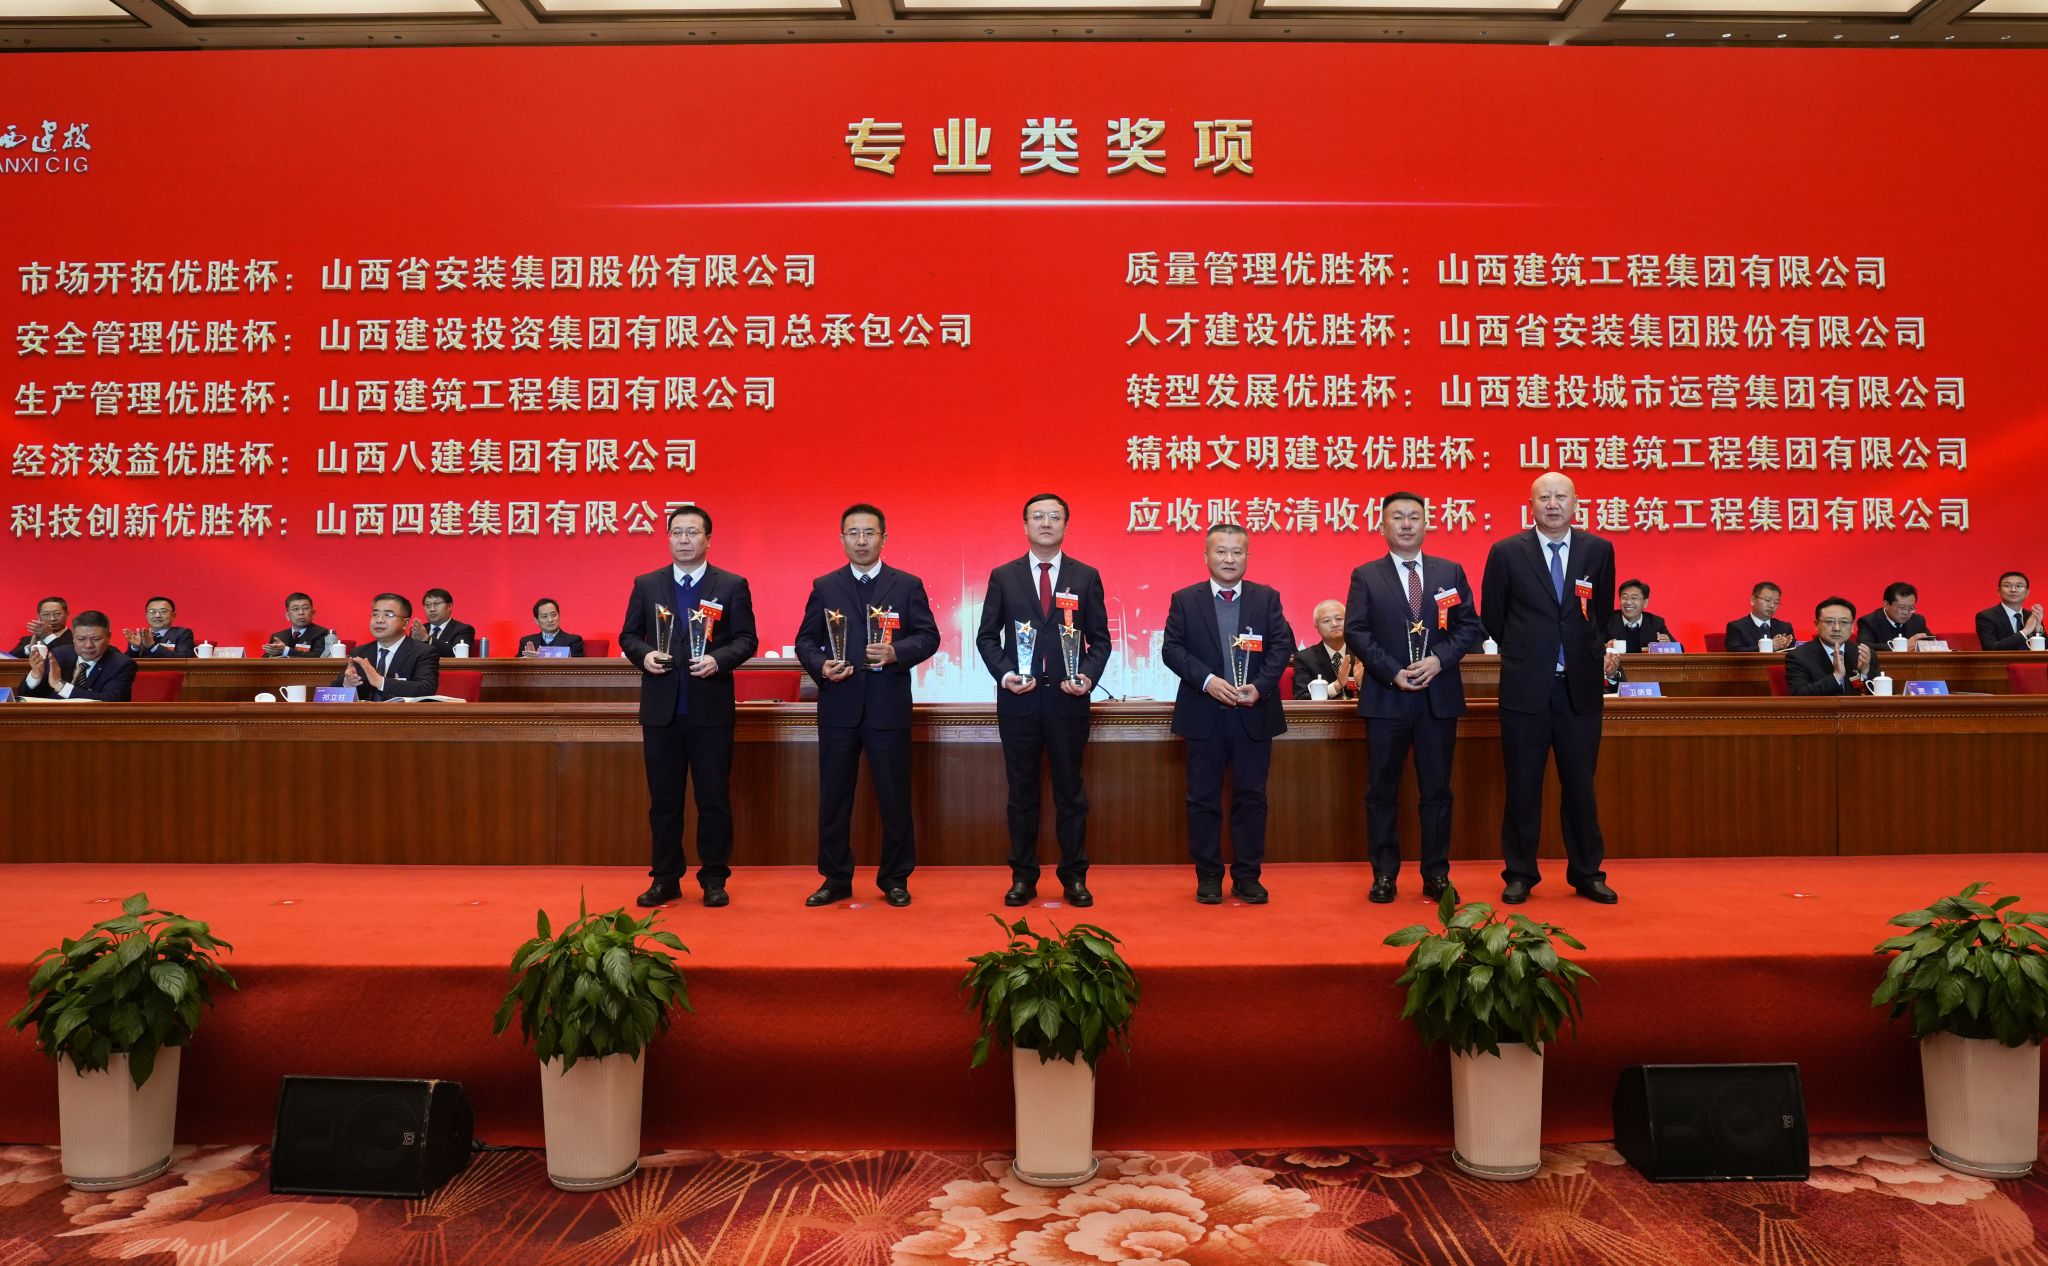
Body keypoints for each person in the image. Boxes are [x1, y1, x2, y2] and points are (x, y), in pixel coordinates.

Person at [1481, 471, 1620, 905]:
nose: (1553, 504)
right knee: (1523, 786)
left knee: (1580, 786)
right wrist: (1530, 651)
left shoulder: (1598, 550)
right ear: (1531, 505)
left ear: (1576, 503)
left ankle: (1587, 873)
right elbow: (1493, 615)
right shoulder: (1507, 552)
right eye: (1544, 497)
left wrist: (1581, 650)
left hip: (1579, 689)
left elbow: (1600, 612)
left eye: (1561, 497)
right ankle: (1520, 873)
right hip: (1525, 688)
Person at [794, 504, 940, 908]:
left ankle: (895, 878)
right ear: (842, 539)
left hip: (887, 706)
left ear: (883, 538)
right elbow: (805, 640)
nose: (861, 540)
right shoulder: (825, 586)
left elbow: (929, 636)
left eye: (869, 533)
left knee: (894, 797)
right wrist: (820, 666)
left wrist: (897, 652)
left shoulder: (906, 585)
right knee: (834, 797)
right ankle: (835, 878)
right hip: (839, 705)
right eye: (853, 533)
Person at [973, 492, 1112, 909]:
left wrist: (1087, 676)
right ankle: (1022, 877)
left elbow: (1100, 640)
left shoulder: (1085, 576)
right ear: (1025, 525)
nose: (1046, 523)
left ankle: (1075, 877)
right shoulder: (1004, 576)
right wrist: (1005, 674)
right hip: (1020, 701)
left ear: (1066, 525)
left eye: (1054, 516)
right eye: (1038, 516)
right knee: (1022, 793)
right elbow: (986, 637)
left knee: (1071, 793)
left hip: (1068, 701)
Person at [1343, 491, 1482, 904]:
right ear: (1382, 526)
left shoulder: (1449, 571)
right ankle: (1384, 874)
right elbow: (1356, 631)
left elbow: (1469, 627)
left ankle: (1436, 874)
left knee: (1437, 792)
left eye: (1414, 517)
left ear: (1426, 524)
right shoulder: (1366, 575)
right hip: (1387, 698)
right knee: (1381, 792)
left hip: (1437, 698)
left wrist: (1439, 660)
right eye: (1398, 517)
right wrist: (1393, 671)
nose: (1406, 524)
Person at [620, 506, 759, 909]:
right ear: (668, 538)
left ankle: (714, 878)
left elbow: (747, 639)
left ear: (708, 539)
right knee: (664, 801)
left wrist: (719, 659)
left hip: (710, 710)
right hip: (662, 712)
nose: (684, 539)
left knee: (713, 799)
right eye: (677, 532)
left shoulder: (731, 585)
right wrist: (644, 655)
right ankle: (665, 878)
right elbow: (629, 635)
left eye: (692, 532)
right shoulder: (647, 584)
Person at [1160, 523, 1296, 905]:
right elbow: (1172, 650)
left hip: (1254, 713)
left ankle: (1247, 876)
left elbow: (1281, 647)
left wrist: (1261, 686)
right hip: (1204, 712)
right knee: (1202, 799)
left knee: (1252, 797)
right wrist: (1207, 681)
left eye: (1237, 552)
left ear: (1248, 557)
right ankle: (1208, 875)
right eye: (1221, 551)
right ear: (1206, 556)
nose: (1229, 559)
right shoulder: (1185, 599)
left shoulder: (1266, 598)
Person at [335, 593, 440, 700]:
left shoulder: (423, 652)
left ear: (405, 623)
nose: (379, 620)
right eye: (375, 614)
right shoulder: (359, 653)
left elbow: (426, 688)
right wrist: (346, 684)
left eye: (388, 615)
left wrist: (380, 681)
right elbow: (332, 691)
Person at [21, 611, 134, 701]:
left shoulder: (121, 664)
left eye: (96, 639)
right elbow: (29, 697)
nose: (88, 645)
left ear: (108, 637)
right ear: (73, 638)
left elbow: (111, 700)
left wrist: (61, 686)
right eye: (81, 639)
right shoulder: (58, 655)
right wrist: (35, 677)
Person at [1786, 597, 1877, 695]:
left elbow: (1884, 693)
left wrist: (1865, 673)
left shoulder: (1863, 654)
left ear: (1852, 626)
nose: (1837, 628)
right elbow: (1799, 694)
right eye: (1829, 622)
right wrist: (1836, 677)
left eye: (1844, 622)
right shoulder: (1799, 656)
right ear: (1816, 625)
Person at [1292, 600, 1365, 700]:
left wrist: (1362, 684)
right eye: (1326, 621)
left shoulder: (1361, 654)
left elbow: (1380, 695)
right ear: (1317, 627)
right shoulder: (1304, 658)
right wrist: (1337, 685)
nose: (1334, 624)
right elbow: (1301, 697)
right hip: (1323, 711)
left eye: (1339, 619)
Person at [1976, 572, 2044, 651]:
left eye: (2019, 586)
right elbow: (1990, 648)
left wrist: (2038, 629)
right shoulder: (1986, 617)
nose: (2013, 590)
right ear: (1999, 591)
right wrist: (2025, 632)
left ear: (2027, 592)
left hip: (2032, 660)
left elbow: (2045, 649)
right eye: (2007, 586)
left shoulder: (2031, 616)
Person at [1857, 582, 1932, 653]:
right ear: (1886, 604)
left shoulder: (1917, 621)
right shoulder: (1870, 622)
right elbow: (1863, 646)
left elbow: (1932, 643)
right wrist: (1901, 647)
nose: (1906, 612)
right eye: (1902, 608)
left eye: (1911, 608)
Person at [1604, 579, 1672, 653]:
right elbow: (1595, 646)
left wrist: (1669, 645)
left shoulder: (1656, 623)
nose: (1628, 602)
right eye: (1624, 597)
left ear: (1645, 603)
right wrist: (1605, 647)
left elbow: (1679, 648)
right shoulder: (1607, 620)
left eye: (1634, 598)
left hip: (1645, 661)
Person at [1723, 582, 1794, 653]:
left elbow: (1795, 653)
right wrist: (1768, 647)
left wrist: (1785, 648)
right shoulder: (1736, 627)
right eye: (1767, 600)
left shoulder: (1784, 627)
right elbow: (1735, 652)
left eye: (1776, 602)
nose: (1772, 606)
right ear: (1753, 600)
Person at [265, 593, 333, 658]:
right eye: (296, 609)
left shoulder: (324, 634)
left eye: (305, 608)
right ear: (287, 615)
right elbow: (266, 660)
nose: (301, 612)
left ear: (313, 613)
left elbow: (318, 657)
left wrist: (285, 650)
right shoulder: (279, 637)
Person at [413, 588, 478, 656]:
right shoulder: (419, 630)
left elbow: (458, 655)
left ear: (449, 606)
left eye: (437, 603)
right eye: (428, 605)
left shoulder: (463, 630)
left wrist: (427, 638)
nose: (432, 609)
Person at [125, 596, 196, 659]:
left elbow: (184, 658)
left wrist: (153, 647)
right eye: (152, 611)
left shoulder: (182, 634)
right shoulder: (139, 637)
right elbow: (125, 664)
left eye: (163, 611)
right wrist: (135, 648)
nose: (157, 615)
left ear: (173, 615)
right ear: (146, 616)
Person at [519, 598, 587, 657]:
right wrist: (527, 661)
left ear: (559, 616)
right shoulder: (527, 642)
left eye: (554, 615)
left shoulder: (573, 641)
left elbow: (577, 666)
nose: (550, 620)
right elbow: (517, 665)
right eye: (544, 616)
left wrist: (540, 657)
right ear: (536, 621)